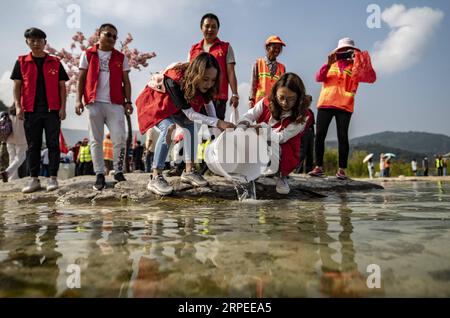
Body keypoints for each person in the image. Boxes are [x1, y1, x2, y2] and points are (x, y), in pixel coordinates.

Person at [136, 52, 235, 195]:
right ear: (196, 74)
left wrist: (218, 130)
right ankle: (155, 176)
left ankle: (189, 171)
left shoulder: (205, 86)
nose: (209, 84)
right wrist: (219, 122)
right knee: (169, 128)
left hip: (175, 108)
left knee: (190, 126)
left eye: (213, 80)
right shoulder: (174, 78)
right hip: (156, 104)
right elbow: (190, 113)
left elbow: (209, 108)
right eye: (206, 79)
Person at [10, 27, 69, 193]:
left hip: (52, 111)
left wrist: (63, 108)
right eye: (32, 40)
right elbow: (17, 86)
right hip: (30, 110)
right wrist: (18, 106)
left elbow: (62, 87)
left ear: (45, 42)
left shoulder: (55, 62)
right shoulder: (21, 62)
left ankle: (52, 178)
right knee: (33, 145)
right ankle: (33, 179)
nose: (36, 43)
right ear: (27, 42)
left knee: (53, 145)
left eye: (39, 40)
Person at [309, 37, 376, 180]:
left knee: (342, 137)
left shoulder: (356, 67)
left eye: (348, 50)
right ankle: (318, 167)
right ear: (338, 51)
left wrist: (360, 59)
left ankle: (342, 170)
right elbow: (318, 78)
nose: (345, 52)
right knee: (319, 135)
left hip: (345, 105)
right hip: (326, 103)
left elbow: (371, 77)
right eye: (342, 50)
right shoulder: (330, 65)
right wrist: (328, 63)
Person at [76, 23, 133, 190]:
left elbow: (126, 82)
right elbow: (81, 79)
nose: (112, 39)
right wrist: (78, 100)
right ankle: (99, 174)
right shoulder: (87, 54)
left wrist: (128, 102)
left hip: (115, 103)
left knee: (119, 138)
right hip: (94, 102)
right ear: (99, 34)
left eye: (115, 37)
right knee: (95, 140)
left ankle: (118, 171)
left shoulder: (121, 57)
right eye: (108, 35)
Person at [237, 73, 313, 194]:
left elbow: (281, 137)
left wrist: (263, 129)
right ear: (275, 94)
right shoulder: (266, 102)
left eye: (291, 99)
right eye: (281, 97)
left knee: (275, 146)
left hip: (285, 148)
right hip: (262, 143)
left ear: (299, 98)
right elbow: (250, 115)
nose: (284, 103)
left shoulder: (304, 115)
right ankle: (253, 172)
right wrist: (244, 123)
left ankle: (281, 176)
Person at [189, 13, 239, 120]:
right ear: (201, 28)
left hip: (218, 97)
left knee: (215, 129)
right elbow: (189, 73)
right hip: (197, 96)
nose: (210, 29)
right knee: (200, 129)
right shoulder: (194, 49)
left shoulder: (225, 47)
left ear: (218, 29)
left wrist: (235, 94)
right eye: (207, 26)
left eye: (213, 26)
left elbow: (230, 72)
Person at [249, 35, 286, 107]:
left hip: (275, 105)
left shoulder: (282, 68)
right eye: (274, 47)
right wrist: (251, 99)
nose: (277, 50)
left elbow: (283, 88)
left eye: (279, 48)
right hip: (259, 104)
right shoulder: (258, 63)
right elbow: (253, 84)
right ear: (267, 47)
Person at [1, 107, 27, 182]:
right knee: (20, 158)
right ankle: (8, 173)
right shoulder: (24, 113)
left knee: (12, 157)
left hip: (9, 137)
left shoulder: (9, 113)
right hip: (21, 138)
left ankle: (12, 177)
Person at [296, 108, 315, 174]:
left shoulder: (310, 111)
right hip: (303, 133)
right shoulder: (300, 110)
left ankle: (309, 171)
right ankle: (298, 171)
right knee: (302, 153)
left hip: (310, 132)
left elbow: (312, 124)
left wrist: (313, 133)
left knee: (310, 153)